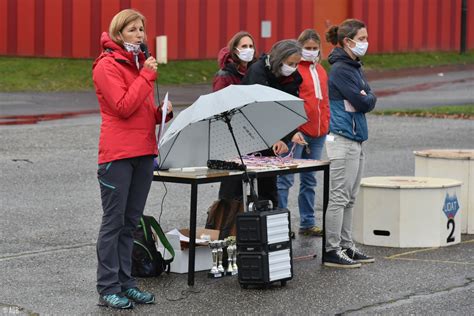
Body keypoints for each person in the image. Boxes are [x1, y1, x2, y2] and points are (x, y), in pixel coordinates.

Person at [92, 9, 173, 309]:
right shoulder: (107, 66)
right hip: (117, 156)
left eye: (142, 29)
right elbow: (123, 107)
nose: (140, 35)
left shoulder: (139, 64)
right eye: (133, 30)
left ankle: (126, 283)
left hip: (143, 152)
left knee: (130, 223)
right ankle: (107, 287)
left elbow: (139, 109)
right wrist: (146, 76)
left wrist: (160, 113)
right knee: (113, 223)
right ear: (118, 33)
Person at [323, 19, 376, 268]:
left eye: (366, 38)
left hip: (356, 139)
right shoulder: (342, 70)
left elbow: (369, 95)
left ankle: (346, 245)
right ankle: (331, 249)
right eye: (362, 38)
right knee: (339, 197)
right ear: (348, 41)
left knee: (351, 197)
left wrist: (366, 95)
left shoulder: (354, 67)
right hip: (343, 139)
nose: (366, 43)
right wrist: (365, 96)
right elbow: (364, 101)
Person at [277, 29, 330, 237]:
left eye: (314, 48)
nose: (311, 52)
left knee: (310, 180)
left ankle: (307, 223)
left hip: (318, 133)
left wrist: (327, 123)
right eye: (307, 48)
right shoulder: (294, 69)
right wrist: (293, 129)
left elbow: (324, 100)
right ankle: (280, 224)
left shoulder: (321, 71)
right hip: (298, 133)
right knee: (285, 180)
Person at [241, 39, 307, 207]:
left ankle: (270, 221)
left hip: (271, 135)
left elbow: (288, 109)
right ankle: (230, 227)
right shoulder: (257, 72)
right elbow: (259, 110)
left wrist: (292, 133)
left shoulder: (293, 77)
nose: (293, 67)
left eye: (296, 64)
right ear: (279, 59)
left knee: (269, 185)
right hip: (246, 131)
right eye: (290, 63)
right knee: (237, 187)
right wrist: (274, 138)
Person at [212, 31, 257, 201]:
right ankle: (226, 223)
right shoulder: (225, 75)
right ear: (235, 50)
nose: (248, 49)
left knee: (251, 184)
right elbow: (219, 107)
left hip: (251, 134)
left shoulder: (254, 71)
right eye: (244, 46)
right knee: (231, 188)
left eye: (251, 46)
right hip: (232, 136)